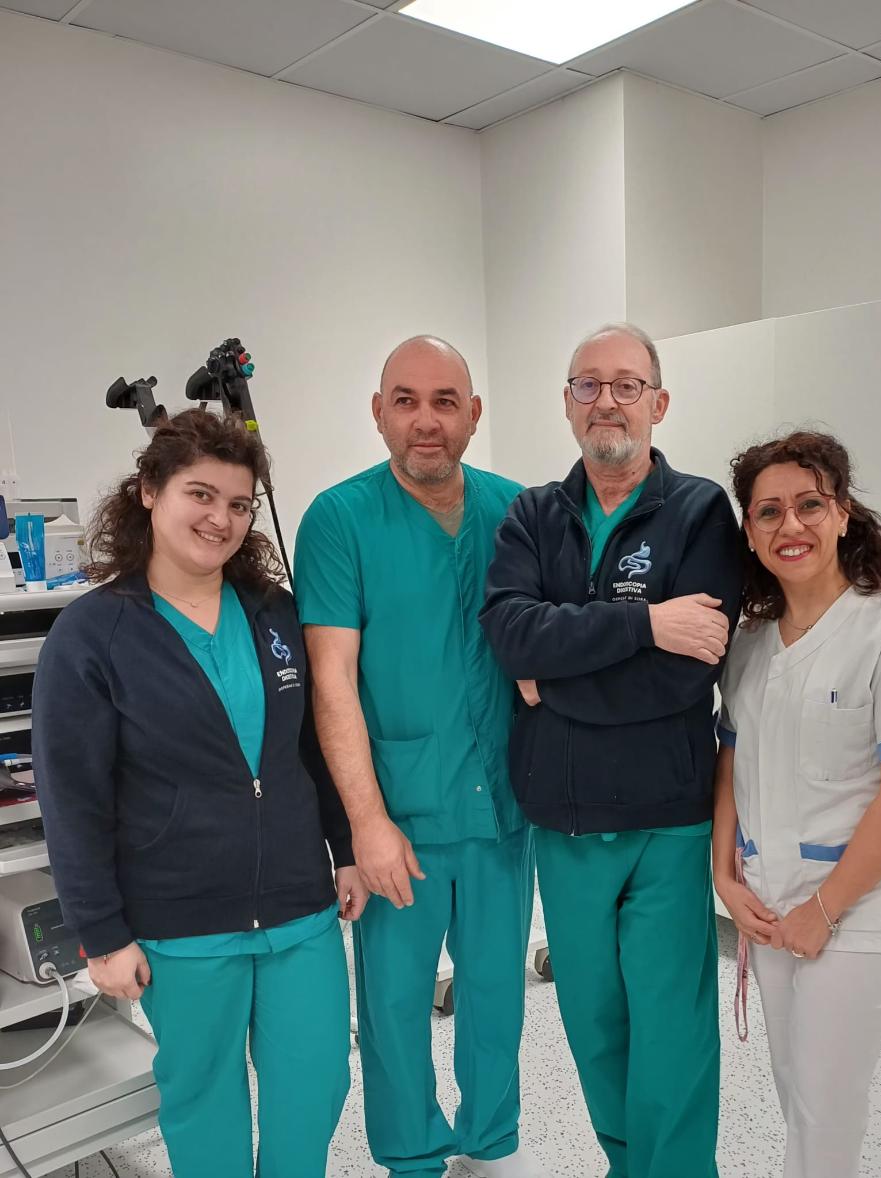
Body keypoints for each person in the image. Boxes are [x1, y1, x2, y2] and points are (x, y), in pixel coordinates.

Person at [33, 409, 359, 1178]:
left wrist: (345, 848)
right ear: (150, 491)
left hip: (299, 908)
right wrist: (101, 935)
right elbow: (72, 799)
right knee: (204, 1100)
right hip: (181, 923)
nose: (221, 519)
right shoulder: (93, 634)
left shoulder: (274, 614)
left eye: (240, 504)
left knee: (315, 1085)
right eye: (201, 495)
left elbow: (314, 745)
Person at [480, 323, 744, 1178]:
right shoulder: (532, 515)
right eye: (588, 385)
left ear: (658, 403)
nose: (607, 401)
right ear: (567, 404)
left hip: (666, 821)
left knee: (670, 1032)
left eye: (627, 385)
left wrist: (553, 684)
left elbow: (686, 673)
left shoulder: (700, 511)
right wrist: (644, 624)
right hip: (564, 822)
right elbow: (511, 634)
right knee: (593, 1026)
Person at [294, 336, 542, 1178]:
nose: (425, 420)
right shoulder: (340, 518)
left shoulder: (518, 511)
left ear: (474, 413)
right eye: (405, 400)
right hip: (400, 813)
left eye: (444, 401)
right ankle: (410, 1157)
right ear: (379, 413)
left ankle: (493, 1144)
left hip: (502, 806)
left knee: (497, 996)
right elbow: (331, 680)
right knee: (395, 1006)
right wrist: (364, 823)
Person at [713, 430, 881, 1178]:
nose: (791, 525)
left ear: (844, 513)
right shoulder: (750, 643)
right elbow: (731, 759)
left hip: (858, 911)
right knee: (796, 1093)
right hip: (770, 902)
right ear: (749, 532)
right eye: (769, 511)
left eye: (810, 505)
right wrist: (724, 876)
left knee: (826, 1108)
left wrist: (824, 910)